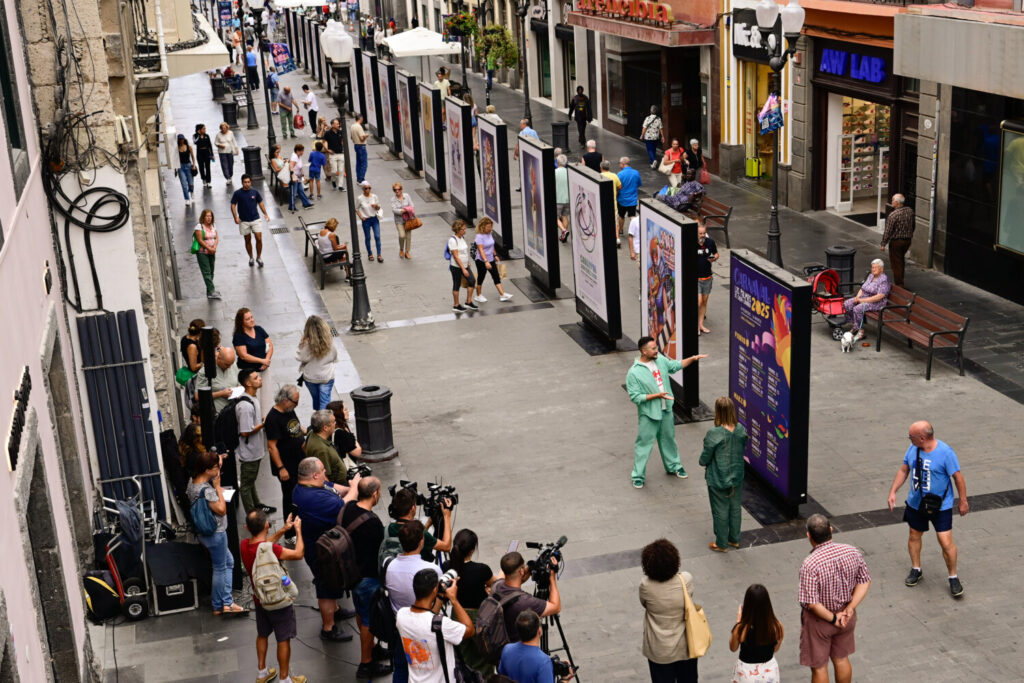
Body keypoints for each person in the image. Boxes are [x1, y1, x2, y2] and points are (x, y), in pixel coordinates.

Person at [887, 420, 968, 597]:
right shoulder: (913, 449)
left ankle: (953, 577)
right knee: (914, 535)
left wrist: (963, 501)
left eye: (911, 436)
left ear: (922, 438)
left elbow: (958, 478)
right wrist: (893, 491)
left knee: (945, 542)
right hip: (916, 503)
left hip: (941, 506)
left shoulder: (945, 453)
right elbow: (903, 470)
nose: (909, 439)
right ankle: (916, 569)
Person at [292, 457, 359, 642]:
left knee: (332, 582)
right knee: (327, 586)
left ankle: (336, 610)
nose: (325, 474)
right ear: (314, 475)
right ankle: (329, 628)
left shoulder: (308, 487)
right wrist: (355, 487)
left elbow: (332, 486)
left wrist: (349, 486)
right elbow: (342, 506)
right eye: (322, 471)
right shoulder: (313, 498)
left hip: (323, 543)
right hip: (321, 551)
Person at [626, 337, 707, 488]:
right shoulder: (634, 373)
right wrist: (657, 395)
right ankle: (638, 475)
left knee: (669, 439)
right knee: (644, 444)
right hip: (649, 414)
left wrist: (692, 359)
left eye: (656, 347)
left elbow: (674, 366)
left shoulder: (660, 360)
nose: (657, 350)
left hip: (666, 410)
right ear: (644, 351)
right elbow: (635, 397)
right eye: (653, 348)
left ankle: (674, 466)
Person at [798, 514, 871, 683]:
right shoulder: (851, 551)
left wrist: (833, 618)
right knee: (841, 658)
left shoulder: (810, 564)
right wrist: (850, 608)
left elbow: (813, 604)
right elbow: (864, 580)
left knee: (819, 666)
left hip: (820, 622)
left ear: (809, 535)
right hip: (847, 617)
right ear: (831, 530)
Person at [240, 510, 307, 683]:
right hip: (278, 601)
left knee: (262, 634)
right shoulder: (273, 549)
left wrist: (284, 529)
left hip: (260, 598)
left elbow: (262, 546)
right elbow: (298, 553)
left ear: (247, 528)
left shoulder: (244, 546)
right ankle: (284, 679)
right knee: (283, 638)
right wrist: (298, 531)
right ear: (267, 526)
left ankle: (262, 673)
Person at [341, 477, 393, 678]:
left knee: (361, 614)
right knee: (369, 621)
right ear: (375, 494)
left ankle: (371, 648)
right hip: (368, 578)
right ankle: (366, 663)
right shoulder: (372, 523)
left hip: (352, 574)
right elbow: (382, 552)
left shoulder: (349, 508)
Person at [188, 451, 246, 614]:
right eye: (215, 468)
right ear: (207, 470)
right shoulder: (207, 490)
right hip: (216, 533)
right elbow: (221, 509)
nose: (218, 471)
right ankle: (224, 603)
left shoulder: (192, 483)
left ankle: (220, 603)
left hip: (203, 532)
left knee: (228, 562)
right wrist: (218, 488)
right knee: (221, 567)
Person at [386, 521, 444, 683]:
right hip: (425, 631)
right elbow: (435, 606)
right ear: (421, 542)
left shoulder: (390, 567)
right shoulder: (430, 571)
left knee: (401, 668)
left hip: (401, 627)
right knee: (426, 672)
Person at [396, 568, 475, 683]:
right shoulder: (442, 624)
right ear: (434, 590)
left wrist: (440, 597)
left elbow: (428, 616)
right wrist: (454, 599)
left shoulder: (401, 615)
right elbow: (470, 630)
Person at [442, 529, 499, 676]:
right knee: (484, 657)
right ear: (472, 550)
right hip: (478, 616)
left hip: (457, 614)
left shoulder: (447, 567)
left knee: (463, 657)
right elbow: (495, 583)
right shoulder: (481, 569)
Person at [639, 538, 696, 683]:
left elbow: (644, 604)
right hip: (686, 647)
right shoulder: (686, 580)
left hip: (659, 650)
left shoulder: (646, 586)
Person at [699, 397, 748, 552]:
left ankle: (721, 543)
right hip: (737, 476)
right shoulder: (740, 429)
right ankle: (734, 539)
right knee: (735, 508)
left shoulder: (714, 433)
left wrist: (702, 461)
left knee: (720, 510)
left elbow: (704, 458)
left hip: (718, 478)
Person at [491, 552, 560, 644]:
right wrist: (552, 577)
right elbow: (556, 607)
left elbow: (509, 578)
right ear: (521, 571)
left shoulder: (496, 585)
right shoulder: (524, 601)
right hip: (515, 647)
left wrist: (527, 568)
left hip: (499, 640)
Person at [264, 384, 304, 533]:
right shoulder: (273, 418)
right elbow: (272, 446)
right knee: (290, 499)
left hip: (299, 461)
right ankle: (290, 532)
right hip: (287, 466)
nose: (297, 405)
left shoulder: (289, 410)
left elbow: (296, 428)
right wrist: (281, 468)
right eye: (295, 402)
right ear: (286, 400)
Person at [235, 368, 273, 515]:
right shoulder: (245, 406)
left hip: (255, 450)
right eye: (256, 378)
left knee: (250, 481)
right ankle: (253, 516)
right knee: (246, 485)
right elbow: (245, 431)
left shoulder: (253, 398)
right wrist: (263, 424)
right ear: (247, 383)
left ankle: (258, 506)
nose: (260, 379)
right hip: (249, 452)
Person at [728, 584, 784, 683]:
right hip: (769, 672)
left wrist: (738, 621)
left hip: (746, 674)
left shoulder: (741, 628)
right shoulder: (777, 626)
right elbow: (775, 649)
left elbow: (733, 648)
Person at [498, 610, 574, 682]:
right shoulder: (543, 662)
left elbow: (502, 678)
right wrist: (564, 680)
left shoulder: (507, 650)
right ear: (539, 631)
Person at [387, 487, 453, 563]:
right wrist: (447, 516)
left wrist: (428, 523)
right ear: (413, 508)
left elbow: (416, 533)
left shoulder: (389, 528)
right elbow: (447, 546)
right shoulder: (422, 534)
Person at [843, 258, 890, 341]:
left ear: (881, 269)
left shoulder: (884, 280)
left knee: (858, 308)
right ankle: (855, 325)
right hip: (864, 298)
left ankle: (860, 331)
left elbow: (880, 296)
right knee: (847, 303)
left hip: (877, 303)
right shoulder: (871, 275)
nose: (873, 269)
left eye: (875, 267)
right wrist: (857, 297)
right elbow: (862, 288)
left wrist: (862, 301)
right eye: (872, 267)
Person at [231, 174, 271, 267]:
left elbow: (261, 203)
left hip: (255, 219)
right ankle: (251, 257)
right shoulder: (237, 193)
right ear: (242, 183)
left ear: (250, 182)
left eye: (248, 182)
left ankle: (259, 257)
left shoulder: (255, 192)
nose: (247, 184)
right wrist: (235, 217)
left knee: (259, 238)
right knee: (247, 240)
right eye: (245, 182)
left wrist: (265, 214)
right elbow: (233, 205)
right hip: (244, 221)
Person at [305, 409, 354, 484]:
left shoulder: (312, 433)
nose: (335, 423)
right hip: (338, 485)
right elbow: (324, 477)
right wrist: (334, 492)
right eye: (333, 421)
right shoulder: (321, 449)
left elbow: (303, 446)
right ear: (325, 428)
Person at [473, 218, 514, 303]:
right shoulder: (479, 237)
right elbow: (481, 250)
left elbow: (492, 245)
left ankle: (502, 295)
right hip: (481, 260)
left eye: (491, 227)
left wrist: (495, 255)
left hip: (491, 258)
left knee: (496, 275)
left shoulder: (489, 233)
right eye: (488, 227)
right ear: (483, 227)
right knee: (481, 277)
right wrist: (486, 261)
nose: (490, 228)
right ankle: (478, 295)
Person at [194, 338, 238, 414]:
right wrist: (221, 393)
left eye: (231, 364)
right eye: (227, 364)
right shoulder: (205, 371)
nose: (229, 367)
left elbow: (237, 383)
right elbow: (198, 397)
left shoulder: (232, 365)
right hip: (217, 415)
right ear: (219, 358)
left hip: (233, 412)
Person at [880, 194, 914, 287]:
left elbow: (888, 231)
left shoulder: (893, 215)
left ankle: (899, 284)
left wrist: (883, 244)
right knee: (901, 260)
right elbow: (913, 225)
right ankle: (901, 278)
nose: (891, 202)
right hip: (907, 240)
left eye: (892, 200)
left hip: (896, 242)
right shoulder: (910, 211)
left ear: (897, 203)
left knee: (896, 263)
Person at [447, 219, 477, 313]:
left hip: (465, 265)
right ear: (458, 230)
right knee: (456, 284)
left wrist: (467, 262)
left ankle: (468, 302)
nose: (465, 231)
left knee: (472, 280)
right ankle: (456, 305)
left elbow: (464, 252)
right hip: (456, 267)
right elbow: (456, 256)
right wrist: (463, 269)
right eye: (463, 229)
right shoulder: (453, 240)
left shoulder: (462, 238)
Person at [695, 218, 719, 335]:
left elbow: (716, 253)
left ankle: (700, 325)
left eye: (704, 233)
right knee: (698, 302)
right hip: (696, 278)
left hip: (707, 277)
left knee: (704, 302)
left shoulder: (710, 242)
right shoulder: (691, 243)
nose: (702, 235)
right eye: (700, 233)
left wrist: (714, 258)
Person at [193, 210, 221, 299]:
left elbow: (216, 238)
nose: (209, 218)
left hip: (212, 252)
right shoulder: (199, 227)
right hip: (202, 253)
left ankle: (209, 291)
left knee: (212, 271)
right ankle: (212, 291)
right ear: (203, 217)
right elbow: (200, 240)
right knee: (207, 272)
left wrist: (214, 247)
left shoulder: (213, 226)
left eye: (210, 216)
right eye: (207, 216)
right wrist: (209, 248)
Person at [355, 181, 383, 262]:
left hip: (374, 218)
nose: (368, 190)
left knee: (377, 236)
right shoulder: (360, 198)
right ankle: (370, 254)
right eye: (366, 188)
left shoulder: (374, 196)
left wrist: (376, 206)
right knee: (368, 237)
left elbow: (379, 207)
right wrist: (361, 217)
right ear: (363, 189)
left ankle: (379, 255)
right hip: (366, 220)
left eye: (369, 188)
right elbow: (356, 208)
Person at [617, 157, 642, 246]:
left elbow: (618, 186)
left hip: (622, 199)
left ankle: (620, 230)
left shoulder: (620, 174)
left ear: (623, 164)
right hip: (632, 199)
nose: (619, 165)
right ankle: (633, 231)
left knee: (621, 215)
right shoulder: (636, 173)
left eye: (620, 163)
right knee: (632, 215)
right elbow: (639, 184)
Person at [391, 183, 416, 259]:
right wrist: (403, 210)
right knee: (402, 235)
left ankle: (407, 252)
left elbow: (412, 205)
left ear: (401, 189)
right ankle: (401, 249)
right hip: (399, 220)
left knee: (408, 236)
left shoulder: (407, 196)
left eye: (399, 189)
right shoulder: (393, 199)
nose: (397, 191)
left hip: (408, 219)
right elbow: (394, 210)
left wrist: (406, 210)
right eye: (395, 190)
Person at [288, 144, 314, 212]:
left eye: (303, 151)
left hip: (298, 177)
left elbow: (300, 166)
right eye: (301, 151)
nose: (302, 152)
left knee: (301, 191)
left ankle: (306, 204)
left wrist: (303, 175)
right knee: (294, 193)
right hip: (295, 177)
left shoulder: (298, 156)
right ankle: (291, 207)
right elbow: (291, 167)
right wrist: (293, 177)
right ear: (297, 151)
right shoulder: (294, 157)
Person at [323, 118, 347, 192]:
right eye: (336, 124)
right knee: (334, 171)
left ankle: (340, 186)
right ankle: (333, 180)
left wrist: (343, 148)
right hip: (332, 154)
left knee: (341, 170)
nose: (338, 125)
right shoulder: (328, 133)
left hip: (340, 153)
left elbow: (343, 141)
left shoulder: (341, 132)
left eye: (338, 123)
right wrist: (327, 150)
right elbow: (324, 141)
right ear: (332, 125)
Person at [176, 134, 197, 206]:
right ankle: (187, 199)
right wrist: (175, 169)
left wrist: (194, 165)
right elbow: (175, 160)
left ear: (184, 139)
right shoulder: (176, 149)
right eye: (180, 139)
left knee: (190, 183)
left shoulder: (189, 147)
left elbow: (193, 157)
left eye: (182, 139)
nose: (181, 140)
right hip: (180, 167)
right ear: (178, 140)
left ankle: (191, 191)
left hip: (188, 166)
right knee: (184, 184)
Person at [555, 154, 570, 241]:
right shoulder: (569, 172)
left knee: (555, 217)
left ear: (557, 162)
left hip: (558, 199)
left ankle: (564, 231)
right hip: (567, 199)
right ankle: (563, 236)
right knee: (565, 216)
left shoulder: (555, 172)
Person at [351, 113, 370, 183]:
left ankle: (358, 177)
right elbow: (362, 138)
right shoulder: (359, 127)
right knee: (364, 163)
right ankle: (361, 178)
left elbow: (351, 137)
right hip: (361, 146)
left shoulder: (352, 126)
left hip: (356, 145)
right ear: (360, 119)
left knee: (358, 162)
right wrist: (366, 135)